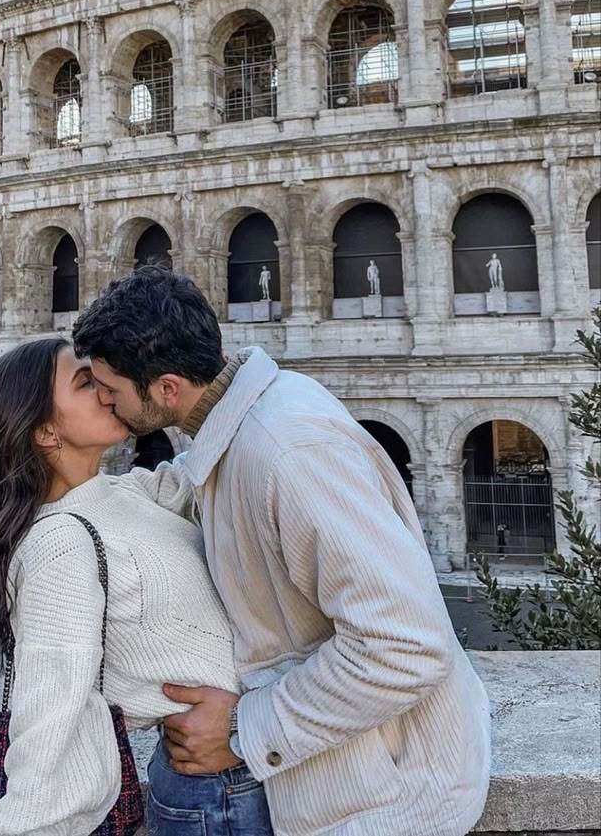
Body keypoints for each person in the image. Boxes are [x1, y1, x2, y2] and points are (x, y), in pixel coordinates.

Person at [73, 266, 492, 836]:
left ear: (167, 388)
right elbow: (190, 486)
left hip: (380, 794)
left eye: (110, 389)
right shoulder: (244, 419)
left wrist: (246, 726)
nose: (102, 399)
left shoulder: (290, 453)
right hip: (341, 773)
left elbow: (406, 646)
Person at [0, 337, 273, 836]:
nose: (106, 390)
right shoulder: (59, 543)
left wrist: (194, 361)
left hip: (243, 765)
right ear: (45, 432)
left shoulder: (126, 489)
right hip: (216, 791)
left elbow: (211, 459)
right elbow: (49, 718)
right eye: (86, 383)